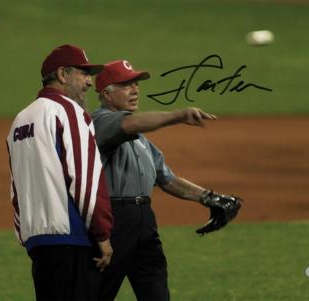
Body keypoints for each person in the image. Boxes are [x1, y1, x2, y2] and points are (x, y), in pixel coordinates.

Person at [92, 59, 232, 301]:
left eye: (136, 83)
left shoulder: (140, 139)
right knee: (98, 293)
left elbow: (166, 178)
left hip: (144, 222)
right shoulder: (99, 122)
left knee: (156, 294)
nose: (135, 89)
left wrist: (209, 198)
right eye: (126, 85)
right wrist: (177, 115)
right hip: (114, 221)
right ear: (106, 93)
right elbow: (128, 124)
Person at [6, 44, 114, 301]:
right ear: (63, 74)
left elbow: (16, 185)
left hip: (38, 241)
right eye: (84, 73)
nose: (90, 82)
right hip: (72, 238)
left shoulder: (20, 120)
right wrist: (102, 233)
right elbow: (86, 180)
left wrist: (27, 235)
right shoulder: (68, 112)